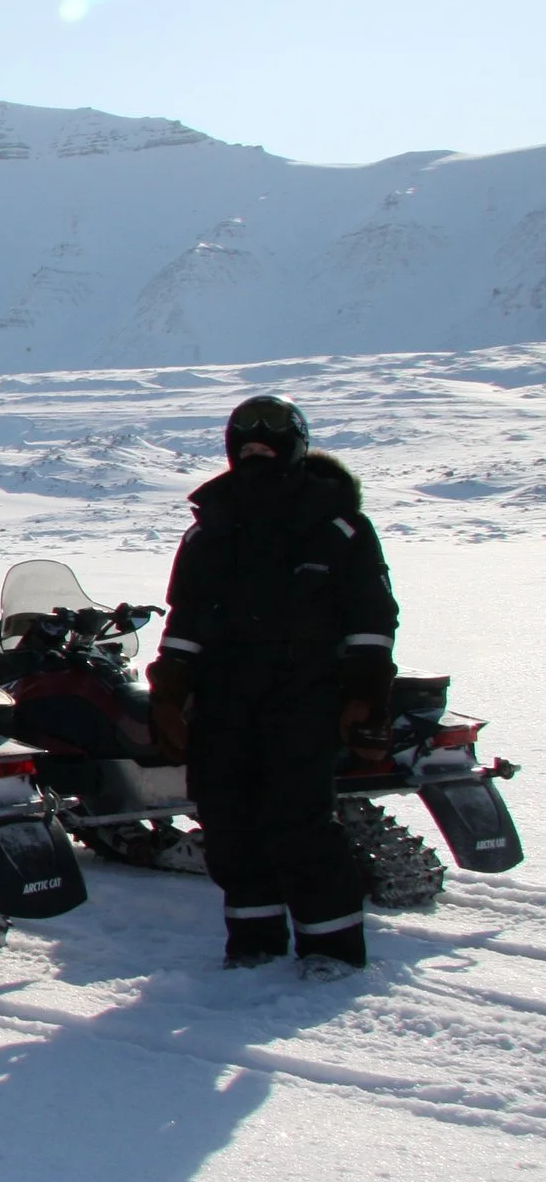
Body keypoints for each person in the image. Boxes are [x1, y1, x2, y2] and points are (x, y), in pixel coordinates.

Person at [146, 394, 396, 973]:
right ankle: (253, 943)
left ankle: (331, 949)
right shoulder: (209, 530)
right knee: (228, 819)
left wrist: (365, 695)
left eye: (271, 442)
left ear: (297, 447)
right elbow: (186, 620)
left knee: (298, 821)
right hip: (223, 695)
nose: (257, 450)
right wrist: (169, 693)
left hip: (304, 693)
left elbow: (371, 620)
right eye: (246, 443)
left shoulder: (338, 527)